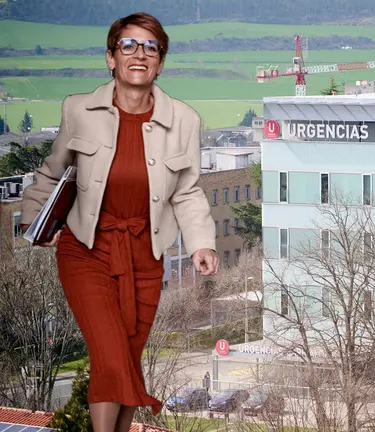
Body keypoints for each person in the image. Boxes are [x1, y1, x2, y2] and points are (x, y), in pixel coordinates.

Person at [20, 12, 219, 432]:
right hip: (85, 249)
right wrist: (33, 221)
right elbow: (53, 172)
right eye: (128, 45)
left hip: (145, 257)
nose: (139, 54)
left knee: (127, 357)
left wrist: (202, 243)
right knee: (110, 354)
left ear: (160, 63)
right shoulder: (79, 110)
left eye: (151, 47)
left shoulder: (185, 120)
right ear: (111, 58)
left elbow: (187, 190)